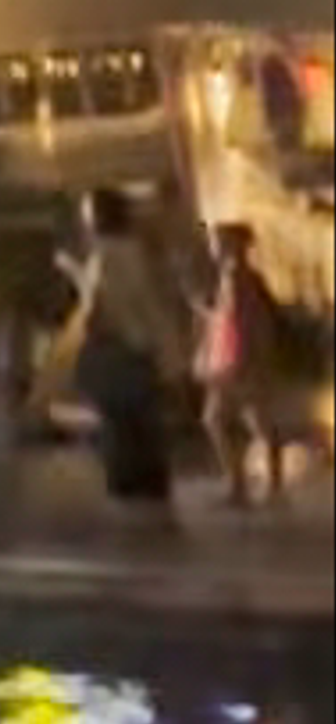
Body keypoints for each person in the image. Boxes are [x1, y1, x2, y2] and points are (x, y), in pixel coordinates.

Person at [59, 184, 190, 512]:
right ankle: (152, 491)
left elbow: (102, 305)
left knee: (123, 426)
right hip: (142, 352)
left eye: (89, 212)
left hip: (120, 352)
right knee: (143, 425)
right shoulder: (138, 253)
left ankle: (135, 493)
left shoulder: (108, 255)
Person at [194, 216, 292, 508]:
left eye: (218, 240)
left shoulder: (237, 277)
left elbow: (240, 322)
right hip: (247, 360)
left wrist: (234, 359)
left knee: (219, 420)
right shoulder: (242, 276)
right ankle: (269, 484)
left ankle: (240, 484)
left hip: (240, 362)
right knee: (255, 420)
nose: (213, 245)